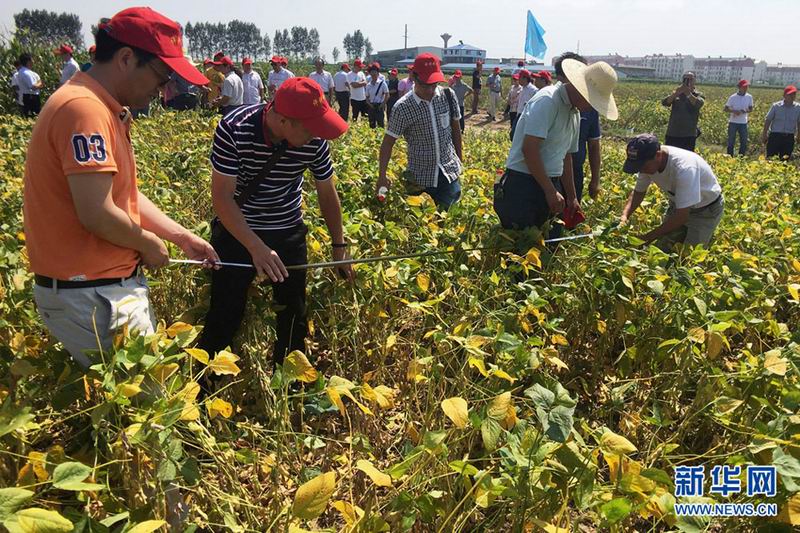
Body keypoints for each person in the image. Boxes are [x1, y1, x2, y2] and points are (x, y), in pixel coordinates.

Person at [22, 6, 216, 370]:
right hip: (93, 292)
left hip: (95, 288)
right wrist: (148, 244)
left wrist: (179, 236)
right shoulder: (85, 110)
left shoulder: (100, 106)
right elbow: (97, 213)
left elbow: (121, 195)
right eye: (161, 76)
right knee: (151, 398)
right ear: (126, 59)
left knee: (140, 395)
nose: (164, 89)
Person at [199, 77, 353, 368]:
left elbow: (326, 191)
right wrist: (255, 247)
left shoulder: (315, 138)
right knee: (225, 313)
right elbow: (222, 198)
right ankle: (207, 383)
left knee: (294, 315)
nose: (316, 134)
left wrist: (339, 246)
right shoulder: (234, 128)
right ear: (283, 121)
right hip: (238, 229)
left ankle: (290, 383)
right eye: (309, 127)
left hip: (287, 228)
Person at [493, 60, 618, 235]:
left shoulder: (574, 113)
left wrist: (572, 197)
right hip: (523, 183)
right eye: (593, 101)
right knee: (520, 243)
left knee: (550, 241)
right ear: (581, 90)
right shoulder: (548, 101)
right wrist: (550, 191)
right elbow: (529, 149)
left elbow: (566, 156)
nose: (592, 107)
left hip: (550, 183)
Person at [377, 53, 463, 211]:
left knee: (449, 219)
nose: (430, 90)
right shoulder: (403, 108)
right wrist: (382, 176)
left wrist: (460, 161)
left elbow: (456, 130)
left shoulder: (448, 96)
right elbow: (388, 143)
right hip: (419, 179)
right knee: (421, 221)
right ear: (414, 78)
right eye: (425, 85)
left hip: (448, 174)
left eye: (434, 84)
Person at [620, 134, 723, 252]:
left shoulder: (685, 169)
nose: (641, 171)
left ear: (658, 155)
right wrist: (624, 216)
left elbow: (681, 217)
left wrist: (647, 237)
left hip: (705, 211)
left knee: (689, 256)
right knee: (662, 250)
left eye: (643, 166)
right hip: (678, 205)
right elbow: (638, 192)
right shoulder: (647, 162)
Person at [553, 53, 602, 201]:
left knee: (571, 210)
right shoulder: (549, 102)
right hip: (550, 172)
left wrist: (595, 180)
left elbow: (594, 145)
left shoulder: (589, 107)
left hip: (574, 171)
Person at [661, 72, 704, 151]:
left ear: (695, 81)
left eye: (690, 79)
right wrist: (676, 94)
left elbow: (698, 104)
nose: (688, 81)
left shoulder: (698, 94)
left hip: (688, 134)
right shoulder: (677, 93)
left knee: (687, 156)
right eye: (686, 79)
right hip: (673, 133)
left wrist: (688, 93)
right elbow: (665, 102)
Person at [762, 85, 800, 160]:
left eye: (794, 94)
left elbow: (799, 122)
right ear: (784, 95)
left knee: (785, 160)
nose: (792, 96)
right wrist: (764, 134)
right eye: (790, 94)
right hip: (775, 136)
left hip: (789, 137)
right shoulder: (776, 106)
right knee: (770, 158)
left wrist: (799, 135)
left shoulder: (798, 108)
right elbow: (768, 120)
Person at [724, 79, 754, 156]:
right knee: (731, 141)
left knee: (744, 141)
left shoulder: (749, 97)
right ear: (739, 87)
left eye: (747, 86)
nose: (746, 88)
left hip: (743, 122)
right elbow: (726, 108)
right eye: (744, 87)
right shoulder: (733, 97)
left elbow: (751, 108)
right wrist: (734, 111)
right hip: (733, 122)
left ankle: (741, 157)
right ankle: (729, 157)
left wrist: (744, 111)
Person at [365, 63, 389, 129]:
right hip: (371, 106)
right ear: (370, 74)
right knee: (371, 124)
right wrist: (370, 105)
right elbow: (367, 97)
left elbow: (387, 94)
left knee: (380, 125)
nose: (373, 75)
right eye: (372, 73)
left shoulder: (382, 83)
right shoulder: (368, 85)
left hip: (380, 106)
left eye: (375, 73)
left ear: (378, 73)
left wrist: (383, 104)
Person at [507, 73, 521, 140]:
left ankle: (515, 136)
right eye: (514, 80)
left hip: (517, 108)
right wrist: (508, 100)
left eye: (516, 80)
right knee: (512, 121)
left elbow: (518, 98)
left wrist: (512, 100)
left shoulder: (521, 88)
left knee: (516, 123)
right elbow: (509, 95)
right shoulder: (512, 87)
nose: (515, 81)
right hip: (512, 108)